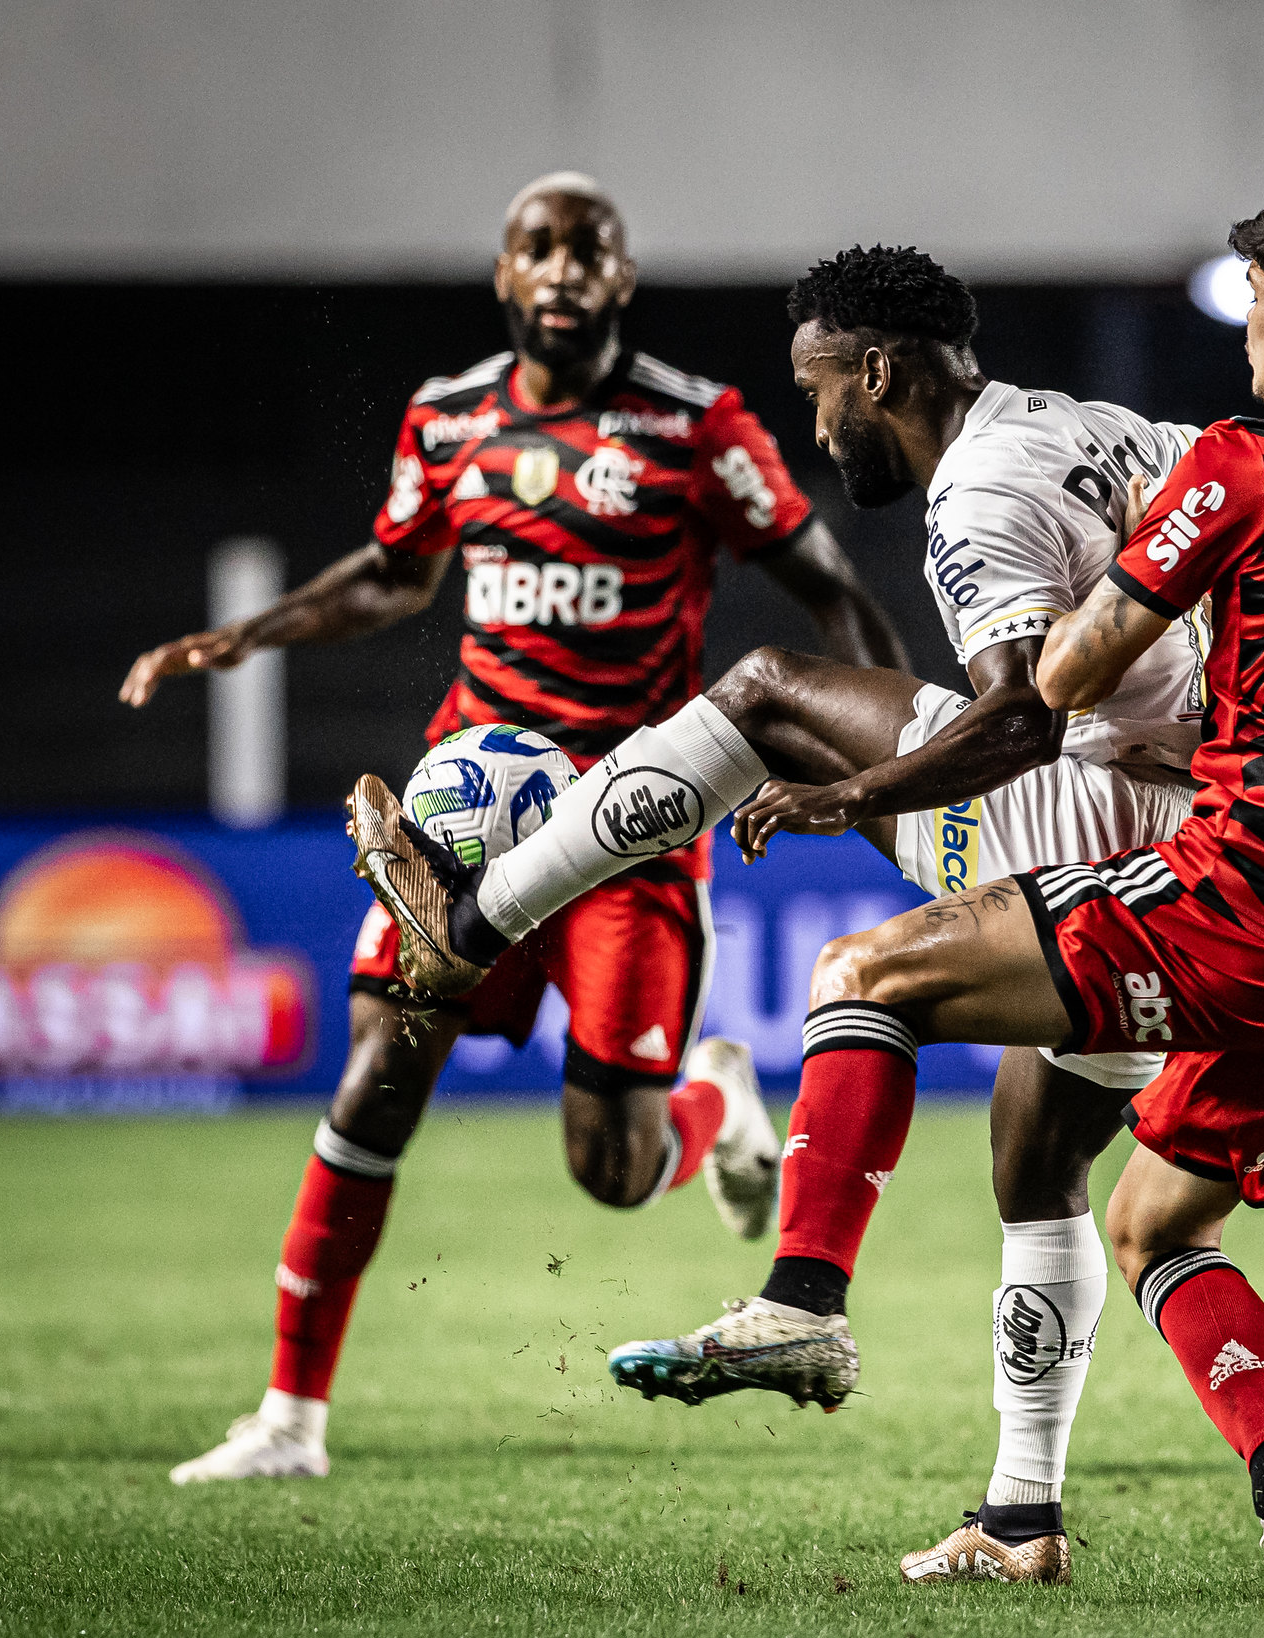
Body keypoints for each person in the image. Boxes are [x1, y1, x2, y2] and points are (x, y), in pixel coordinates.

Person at [593, 185, 1264, 1598]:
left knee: (865, 973)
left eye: (1258, 301)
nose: (1253, 330)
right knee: (1148, 1218)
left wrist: (887, 772)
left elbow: (1056, 687)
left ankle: (803, 1304)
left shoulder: (1241, 462)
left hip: (1236, 892)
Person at [348, 244, 1213, 1583]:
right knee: (1040, 1165)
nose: (817, 425)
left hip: (1083, 825)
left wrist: (852, 788)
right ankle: (1024, 1520)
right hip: (1191, 859)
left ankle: (472, 923)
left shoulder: (977, 483)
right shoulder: (1109, 429)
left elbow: (1018, 719)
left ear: (879, 369)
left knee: (760, 697)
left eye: (821, 393)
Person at [120, 173, 908, 1485]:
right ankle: (288, 1419)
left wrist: (901, 759)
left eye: (587, 250)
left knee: (612, 1170)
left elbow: (824, 586)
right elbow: (392, 570)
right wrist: (245, 635)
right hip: (465, 822)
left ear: (622, 279)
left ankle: (710, 1107)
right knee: (380, 1066)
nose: (561, 269)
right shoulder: (450, 419)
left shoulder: (694, 426)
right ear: (501, 276)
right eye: (536, 248)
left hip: (634, 823)